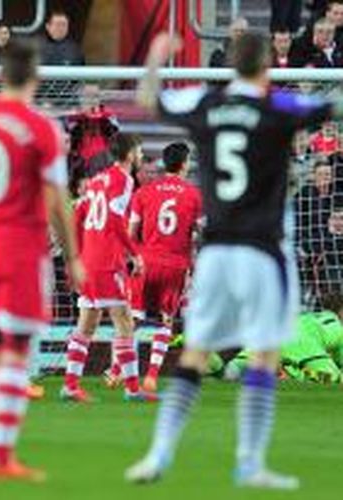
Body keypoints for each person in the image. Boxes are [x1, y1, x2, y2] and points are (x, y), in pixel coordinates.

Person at [126, 31, 339, 489]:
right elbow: (331, 107)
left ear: (231, 67)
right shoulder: (277, 107)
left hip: (217, 250)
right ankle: (250, 462)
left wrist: (156, 60)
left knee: (196, 354)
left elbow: (149, 98)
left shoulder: (207, 103)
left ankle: (158, 453)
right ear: (267, 67)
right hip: (262, 250)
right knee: (264, 356)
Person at [0, 39, 85, 481]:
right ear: (36, 75)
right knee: (14, 350)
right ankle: (4, 456)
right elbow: (58, 200)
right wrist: (72, 257)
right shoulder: (41, 127)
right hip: (21, 247)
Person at [62, 134, 147, 403]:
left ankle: (70, 385)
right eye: (140, 151)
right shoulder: (124, 180)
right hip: (106, 262)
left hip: (88, 260)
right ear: (131, 153)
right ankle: (133, 389)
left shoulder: (98, 180)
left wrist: (73, 257)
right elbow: (114, 219)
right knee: (124, 322)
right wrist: (135, 253)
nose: (142, 156)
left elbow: (78, 216)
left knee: (87, 323)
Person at [127, 142, 203, 392]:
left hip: (146, 263)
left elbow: (131, 232)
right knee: (165, 322)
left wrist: (135, 257)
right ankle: (151, 376)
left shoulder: (144, 192)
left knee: (133, 320)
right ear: (184, 164)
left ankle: (119, 370)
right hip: (175, 265)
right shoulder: (193, 194)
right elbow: (201, 231)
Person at [224, 292, 343, 384]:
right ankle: (289, 374)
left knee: (233, 369)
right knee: (335, 379)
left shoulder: (310, 317)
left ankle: (216, 368)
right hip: (301, 342)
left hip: (273, 331)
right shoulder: (338, 327)